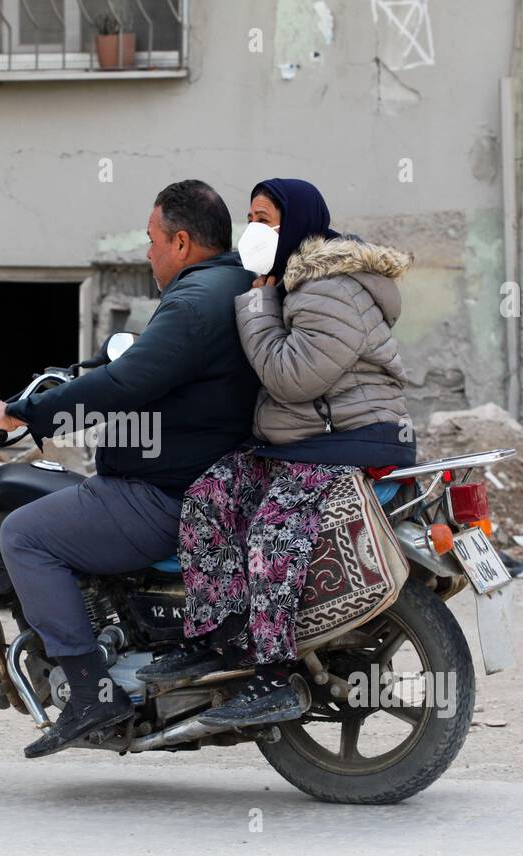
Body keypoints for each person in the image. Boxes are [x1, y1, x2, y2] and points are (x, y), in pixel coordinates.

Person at [0, 180, 261, 758]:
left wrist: (21, 414)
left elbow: (126, 382)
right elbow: (141, 371)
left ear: (180, 241)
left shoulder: (195, 302)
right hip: (199, 481)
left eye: (152, 241)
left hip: (164, 493)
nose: (147, 253)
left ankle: (90, 691)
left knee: (23, 534)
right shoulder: (226, 285)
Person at [137, 178, 416, 728]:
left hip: (349, 441)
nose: (255, 230)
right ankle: (217, 640)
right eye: (251, 218)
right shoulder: (293, 283)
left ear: (299, 222)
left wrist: (258, 301)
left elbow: (290, 378)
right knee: (209, 496)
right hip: (305, 442)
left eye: (266, 218)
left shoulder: (330, 287)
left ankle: (273, 677)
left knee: (271, 532)